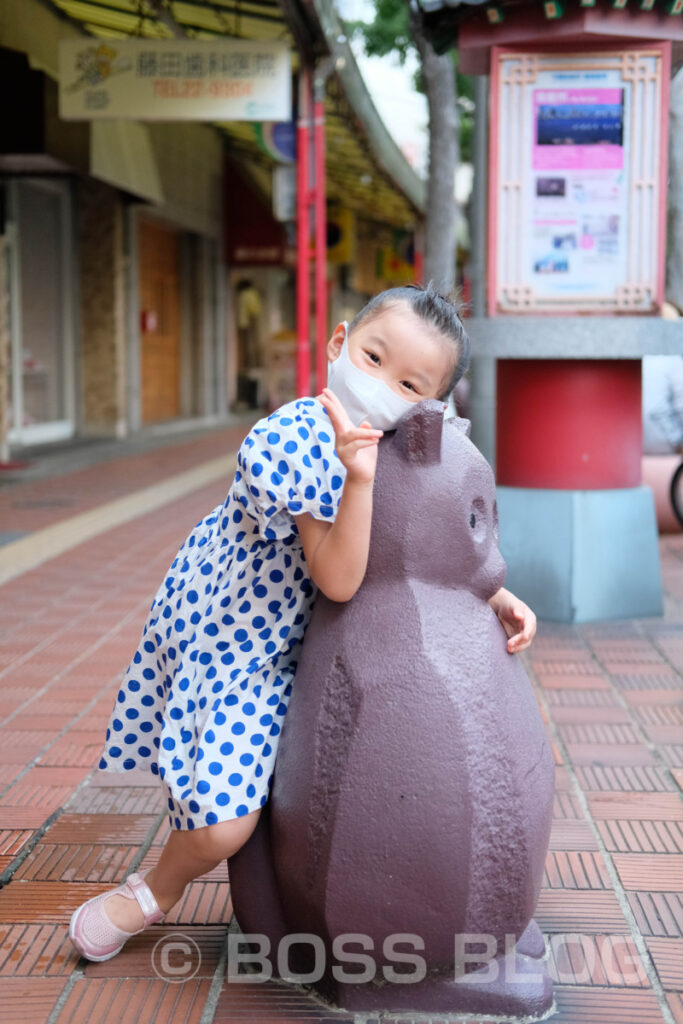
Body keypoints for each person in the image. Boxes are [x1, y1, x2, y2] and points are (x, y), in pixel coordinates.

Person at [68, 283, 538, 962]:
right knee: (224, 820)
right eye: (372, 358)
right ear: (339, 343)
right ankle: (150, 893)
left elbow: (406, 550)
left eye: (407, 382)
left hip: (296, 634)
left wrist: (490, 594)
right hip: (236, 640)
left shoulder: (387, 447)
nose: (378, 387)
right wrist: (360, 480)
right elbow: (340, 575)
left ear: (430, 407)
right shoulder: (293, 440)